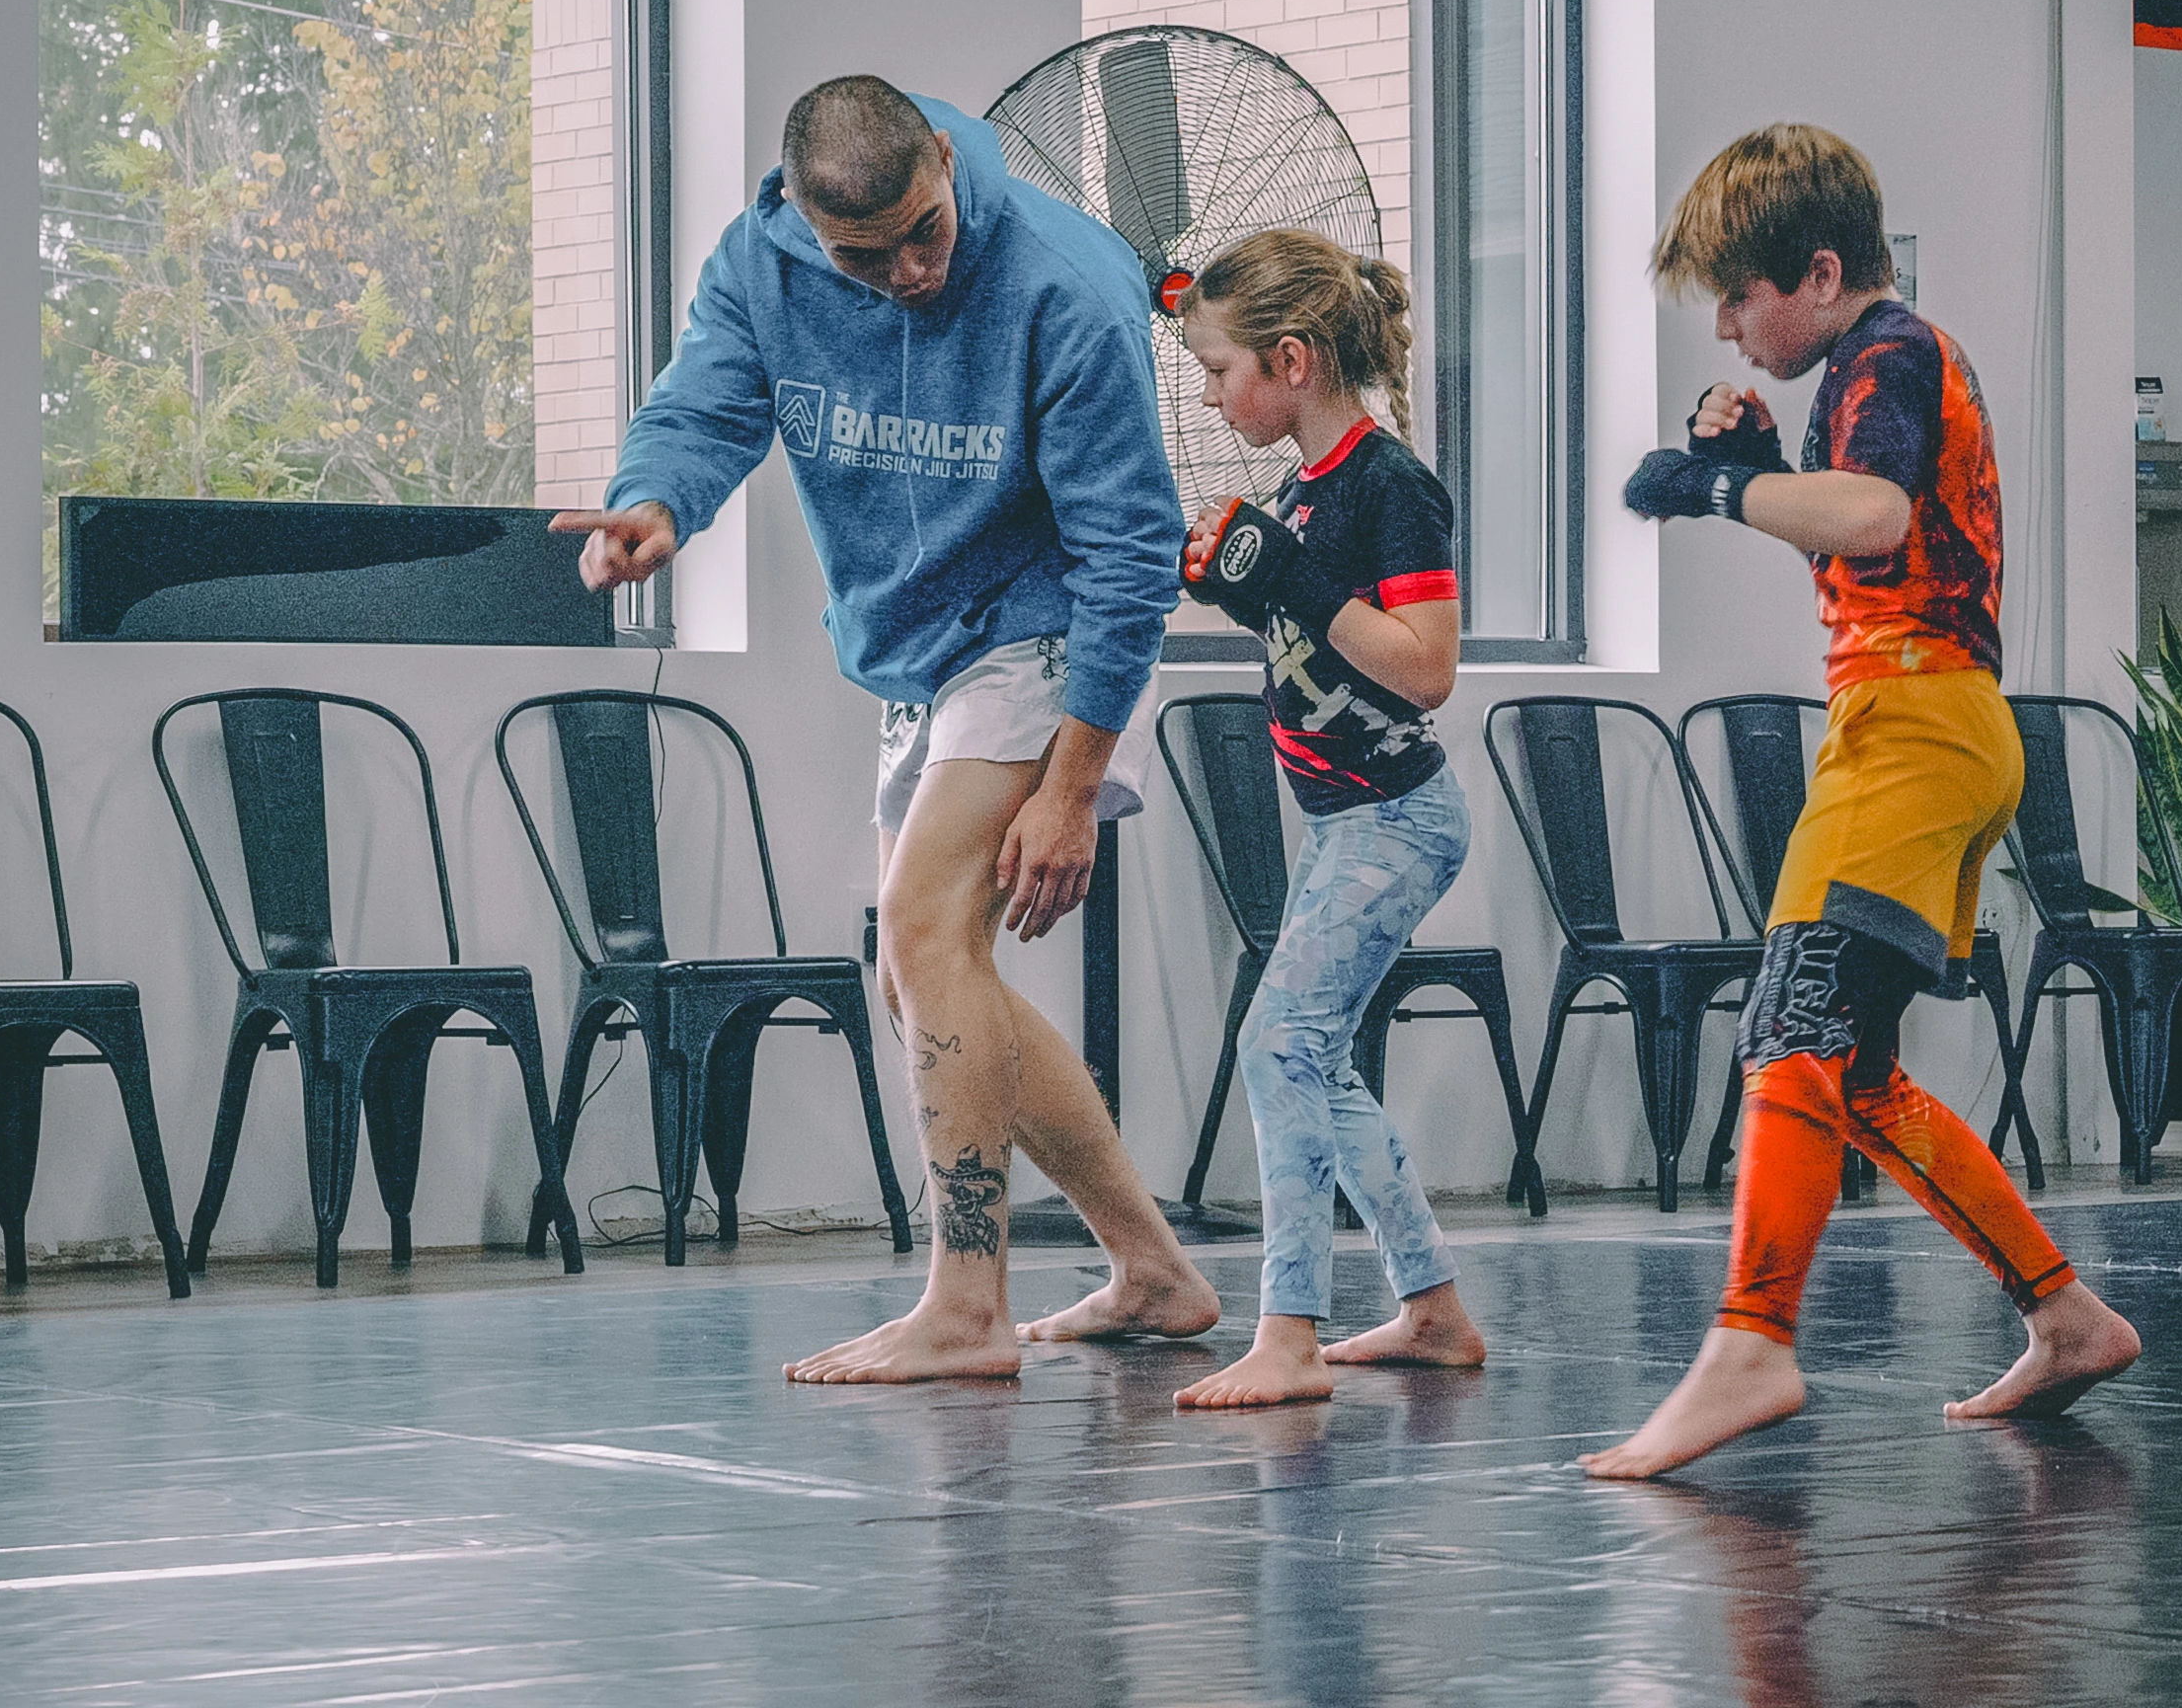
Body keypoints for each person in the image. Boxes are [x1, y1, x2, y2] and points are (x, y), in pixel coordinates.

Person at [555, 74, 1222, 1382]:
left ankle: (968, 1307)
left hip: (1049, 624)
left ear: (940, 164)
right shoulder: (764, 265)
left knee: (923, 937)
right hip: (919, 642)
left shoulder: (1059, 289)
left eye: (929, 229)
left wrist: (1072, 785)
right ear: (807, 223)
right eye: (873, 254)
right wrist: (657, 507)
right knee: (923, 972)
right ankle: (1153, 1269)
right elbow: (705, 408)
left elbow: (1135, 555)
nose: (915, 268)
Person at [1582, 122, 2140, 1481]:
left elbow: (1880, 518)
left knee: (1791, 1025)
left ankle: (1752, 1344)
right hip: (1937, 723)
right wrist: (1770, 458)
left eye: (1738, 294)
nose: (1723, 325)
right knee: (1861, 1074)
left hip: (1912, 727)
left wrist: (1725, 483)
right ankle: (2066, 1316)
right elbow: (1877, 525)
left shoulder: (1889, 348)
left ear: (1819, 272)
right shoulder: (1871, 367)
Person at [1167, 229, 1488, 1408]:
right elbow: (1314, 646)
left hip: (1397, 820)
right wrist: (1242, 589)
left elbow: (1424, 666)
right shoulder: (1306, 489)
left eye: (1219, 371)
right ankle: (1434, 1312)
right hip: (1343, 821)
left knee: (1275, 1044)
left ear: (1291, 359)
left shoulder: (1391, 487)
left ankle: (1289, 1331)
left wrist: (1290, 581)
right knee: (1315, 1060)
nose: (1209, 395)